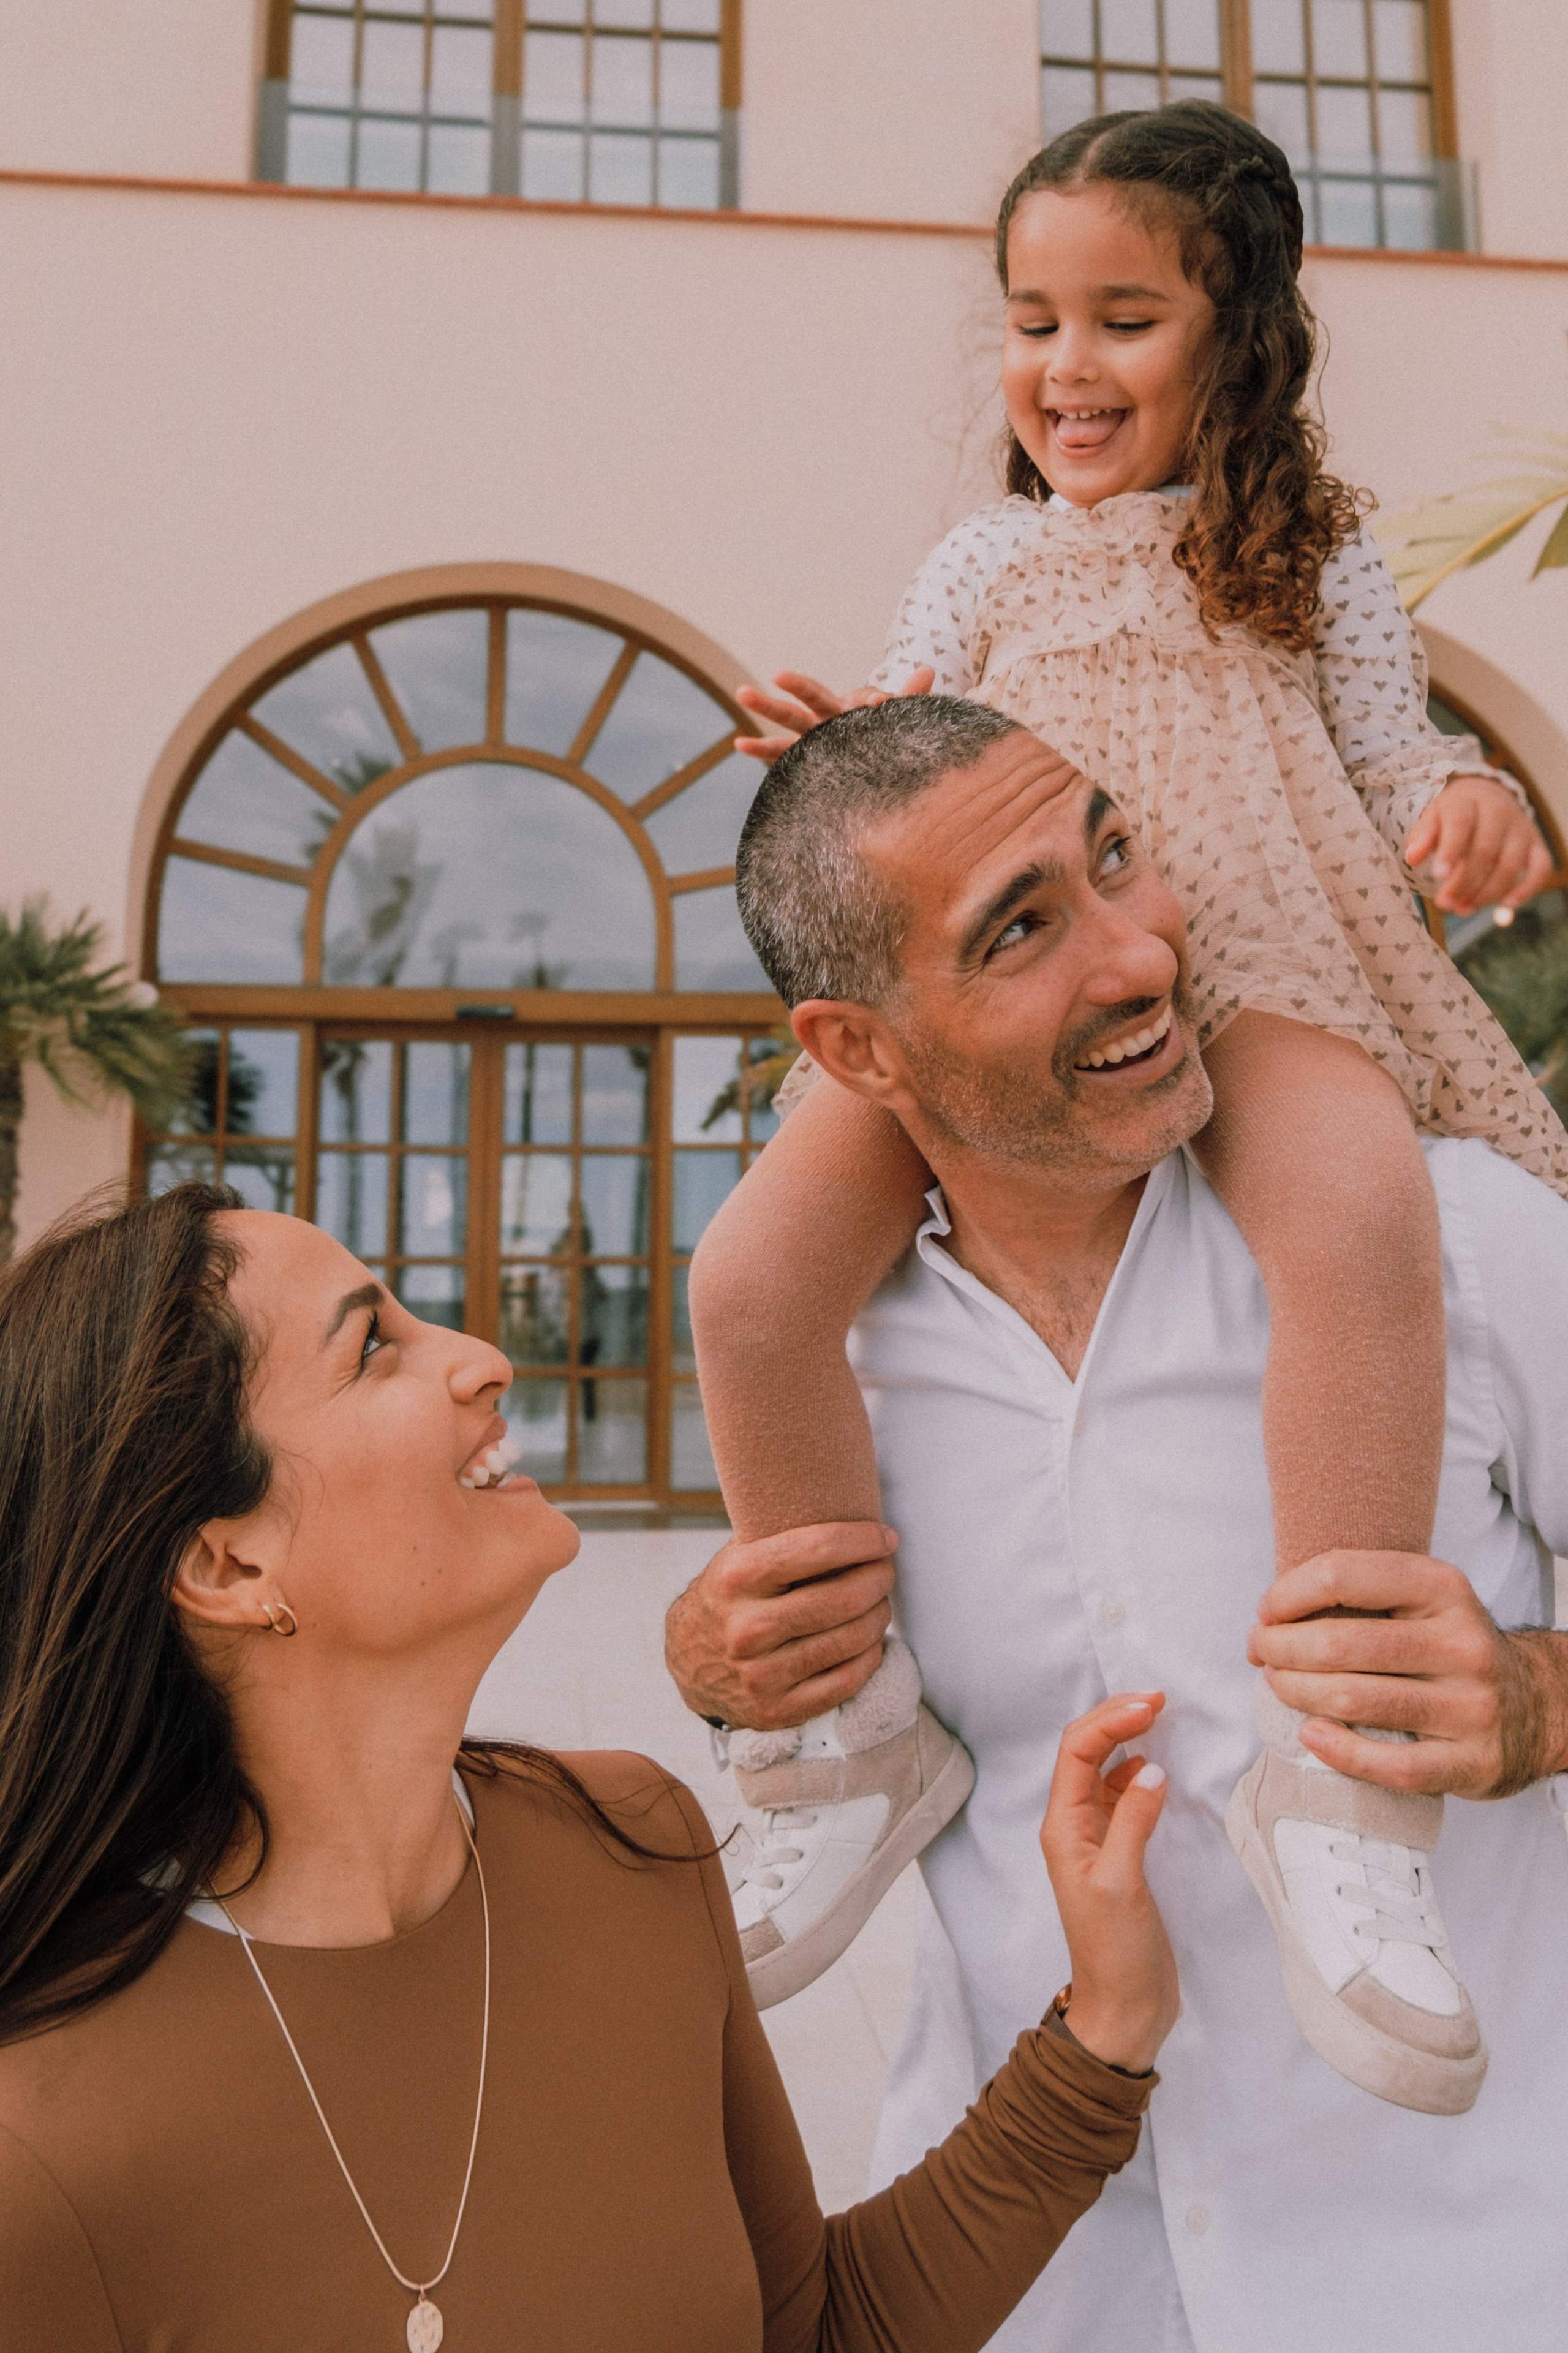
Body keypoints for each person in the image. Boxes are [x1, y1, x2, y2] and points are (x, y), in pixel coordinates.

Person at [688, 102, 1567, 2106]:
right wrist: (844, 751)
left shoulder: (1317, 565)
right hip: (1005, 1030)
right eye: (1031, 321)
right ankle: (840, 1740)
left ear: (1234, 337)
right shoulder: (983, 556)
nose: (1064, 368)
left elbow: (1388, 754)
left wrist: (1472, 803)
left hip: (1256, 978)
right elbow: (915, 775)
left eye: (1124, 318)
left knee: (1356, 1227)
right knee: (748, 1280)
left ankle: (1344, 1792)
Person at [665, 696, 1568, 2352]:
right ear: (858, 1052)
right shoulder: (826, 1357)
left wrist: (1540, 1704)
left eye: (1115, 859)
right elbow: (771, 1648)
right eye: (1020, 929)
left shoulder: (1459, 1243)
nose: (1143, 953)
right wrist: (725, 1659)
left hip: (1479, 2277)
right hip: (1041, 2296)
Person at [0, 1180, 1182, 2353]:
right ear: (229, 1564)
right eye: (374, 1350)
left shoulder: (633, 1841)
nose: (478, 1355)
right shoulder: (43, 2144)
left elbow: (817, 2330)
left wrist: (1105, 2029)